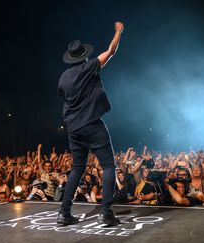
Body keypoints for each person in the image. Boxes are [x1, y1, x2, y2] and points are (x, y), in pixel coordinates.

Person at [57, 21, 124, 226]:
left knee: (77, 168)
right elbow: (111, 51)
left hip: (73, 127)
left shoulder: (63, 78)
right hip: (92, 124)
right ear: (84, 55)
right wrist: (119, 31)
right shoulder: (88, 67)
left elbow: (65, 95)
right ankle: (106, 213)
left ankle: (63, 213)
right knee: (108, 166)